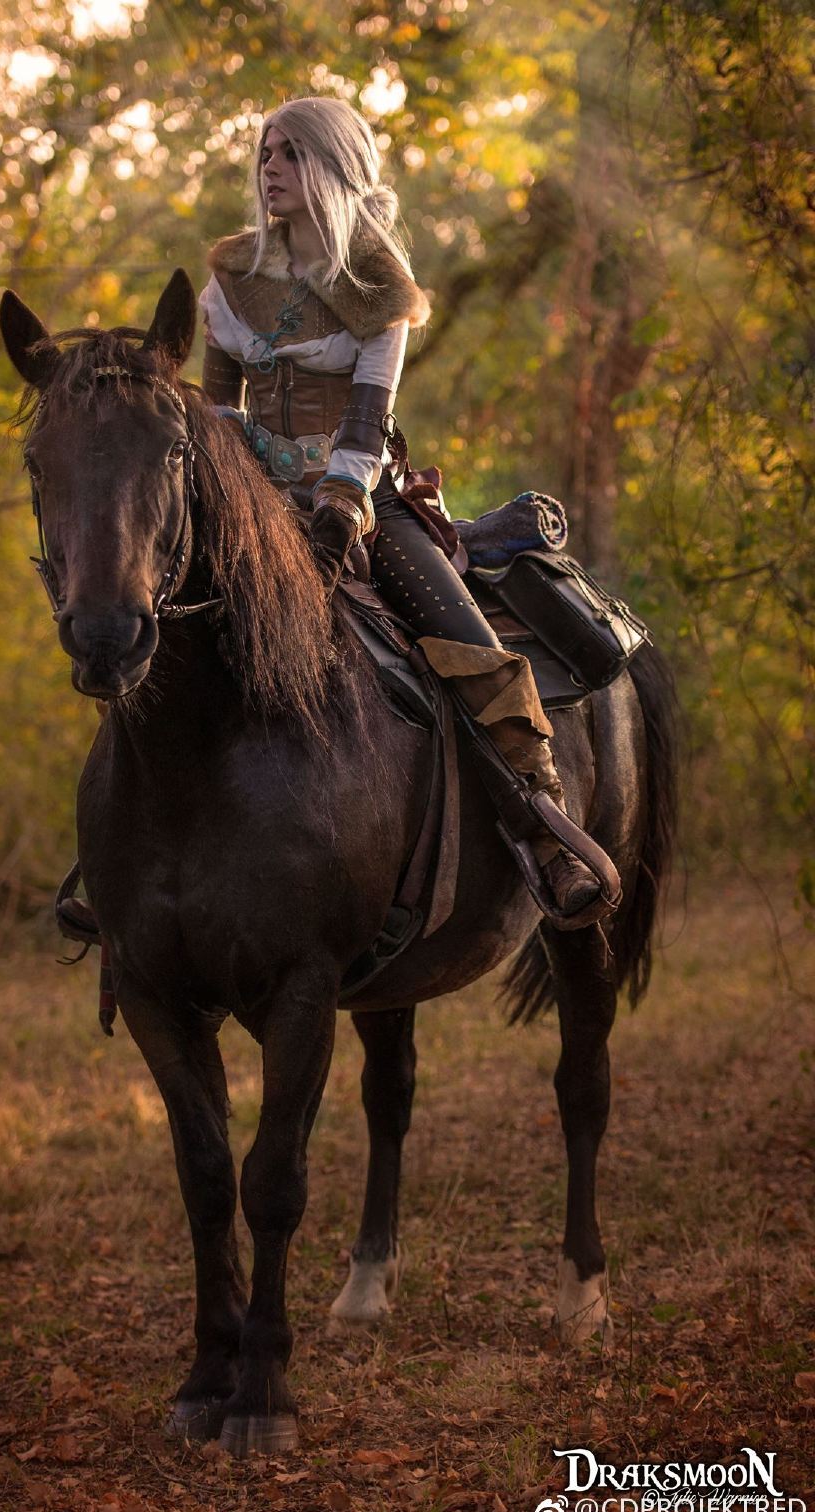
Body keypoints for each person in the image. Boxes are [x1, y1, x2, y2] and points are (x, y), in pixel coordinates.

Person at [193, 95, 615, 926]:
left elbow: (365, 419)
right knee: (154, 624)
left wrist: (339, 511)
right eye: (265, 152)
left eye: (289, 153)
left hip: (360, 504)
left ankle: (543, 828)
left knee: (467, 641)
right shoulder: (231, 276)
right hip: (250, 506)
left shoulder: (381, 288)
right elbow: (215, 412)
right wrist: (234, 502)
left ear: (334, 168)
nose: (268, 167)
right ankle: (126, 862)